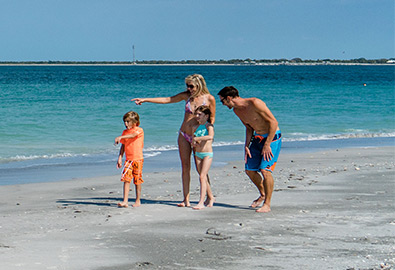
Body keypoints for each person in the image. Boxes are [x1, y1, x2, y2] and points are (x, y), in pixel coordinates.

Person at [131, 74, 216, 207]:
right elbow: (167, 99)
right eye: (187, 86)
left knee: (200, 169)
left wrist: (205, 137)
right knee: (185, 167)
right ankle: (186, 199)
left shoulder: (209, 99)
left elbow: (212, 120)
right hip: (183, 134)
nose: (189, 88)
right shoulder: (186, 96)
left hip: (198, 137)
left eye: (191, 86)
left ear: (199, 85)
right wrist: (146, 99)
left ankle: (210, 197)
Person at [217, 86, 281, 213]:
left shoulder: (255, 103)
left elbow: (273, 122)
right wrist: (247, 145)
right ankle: (262, 194)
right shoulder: (237, 111)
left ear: (229, 98)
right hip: (257, 139)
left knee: (265, 170)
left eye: (222, 101)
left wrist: (267, 144)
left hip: (272, 138)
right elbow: (249, 128)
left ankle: (267, 204)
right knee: (250, 170)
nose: (222, 104)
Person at [115, 111, 144, 208]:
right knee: (126, 179)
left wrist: (120, 137)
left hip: (138, 159)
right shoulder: (125, 132)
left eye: (128, 122)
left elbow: (133, 135)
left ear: (135, 122)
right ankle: (125, 201)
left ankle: (138, 200)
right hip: (128, 159)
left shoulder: (139, 130)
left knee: (137, 180)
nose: (126, 124)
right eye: (125, 122)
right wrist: (120, 158)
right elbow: (123, 146)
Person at [191, 105, 215, 210]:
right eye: (196, 114)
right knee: (203, 177)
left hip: (207, 154)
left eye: (199, 115)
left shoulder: (209, 126)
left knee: (202, 176)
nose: (197, 116)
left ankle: (201, 201)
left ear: (206, 116)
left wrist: (199, 138)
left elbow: (210, 137)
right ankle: (211, 197)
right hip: (198, 154)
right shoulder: (195, 127)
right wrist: (194, 143)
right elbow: (193, 140)